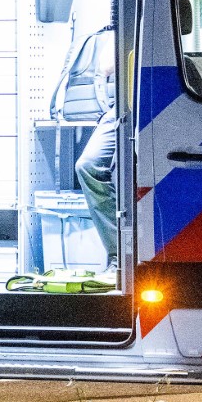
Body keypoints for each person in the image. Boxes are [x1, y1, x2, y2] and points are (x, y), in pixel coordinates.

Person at [75, 53, 117, 271]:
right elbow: (107, 64)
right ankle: (118, 256)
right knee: (89, 165)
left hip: (154, 99)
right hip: (125, 104)